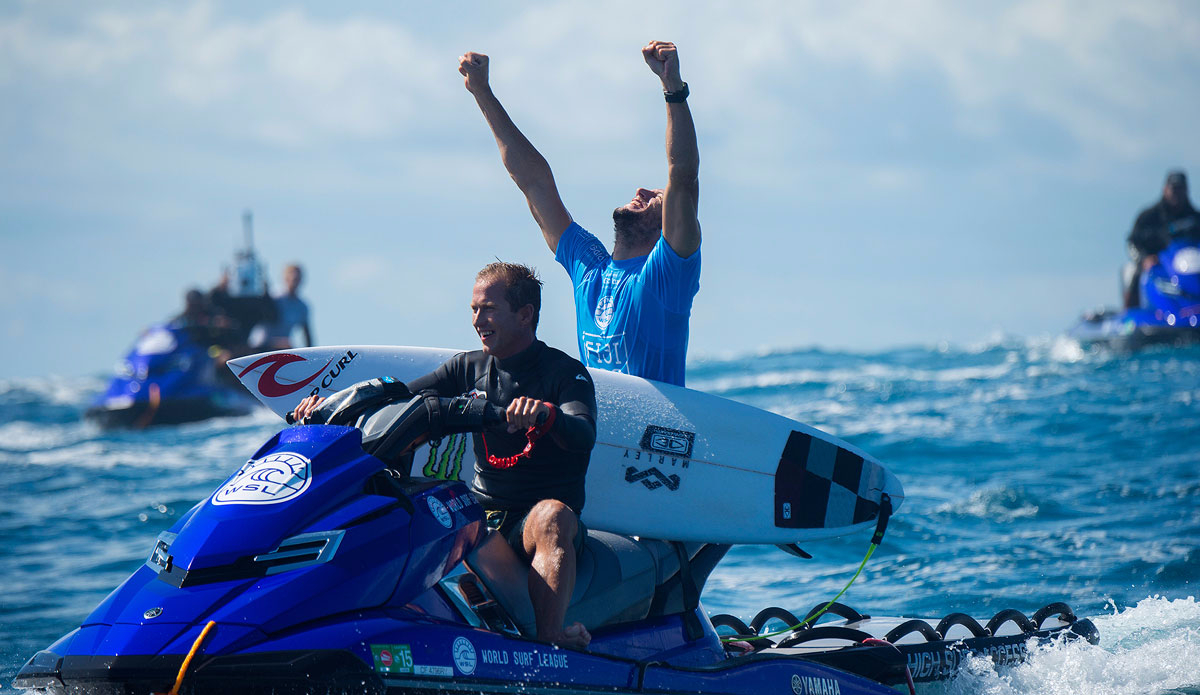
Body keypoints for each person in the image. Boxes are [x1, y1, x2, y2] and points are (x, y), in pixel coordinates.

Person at [292, 262, 597, 649]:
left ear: (525, 315)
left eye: (488, 309)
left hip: (535, 527)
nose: (477, 319)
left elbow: (583, 433)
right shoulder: (467, 367)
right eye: (473, 309)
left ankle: (552, 640)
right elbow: (400, 400)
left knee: (552, 514)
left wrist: (547, 414)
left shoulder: (565, 374)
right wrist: (328, 409)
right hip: (483, 519)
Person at [458, 40, 701, 386]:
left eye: (655, 198)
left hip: (651, 434)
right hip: (595, 429)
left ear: (668, 226)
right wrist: (482, 93)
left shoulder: (666, 275)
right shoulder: (590, 267)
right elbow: (533, 182)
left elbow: (683, 177)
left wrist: (672, 88)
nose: (641, 192)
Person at [1124, 170, 1200, 308]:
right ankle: (1130, 312)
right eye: (1173, 188)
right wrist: (1144, 259)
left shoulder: (1195, 218)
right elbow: (1132, 243)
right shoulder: (1148, 217)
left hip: (1188, 268)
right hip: (1158, 266)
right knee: (1132, 272)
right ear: (1165, 189)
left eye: (1180, 189)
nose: (1176, 193)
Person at [257, 263, 314, 349]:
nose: (293, 281)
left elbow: (308, 337)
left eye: (296, 278)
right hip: (262, 345)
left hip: (284, 348)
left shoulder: (302, 307)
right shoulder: (273, 297)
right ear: (285, 278)